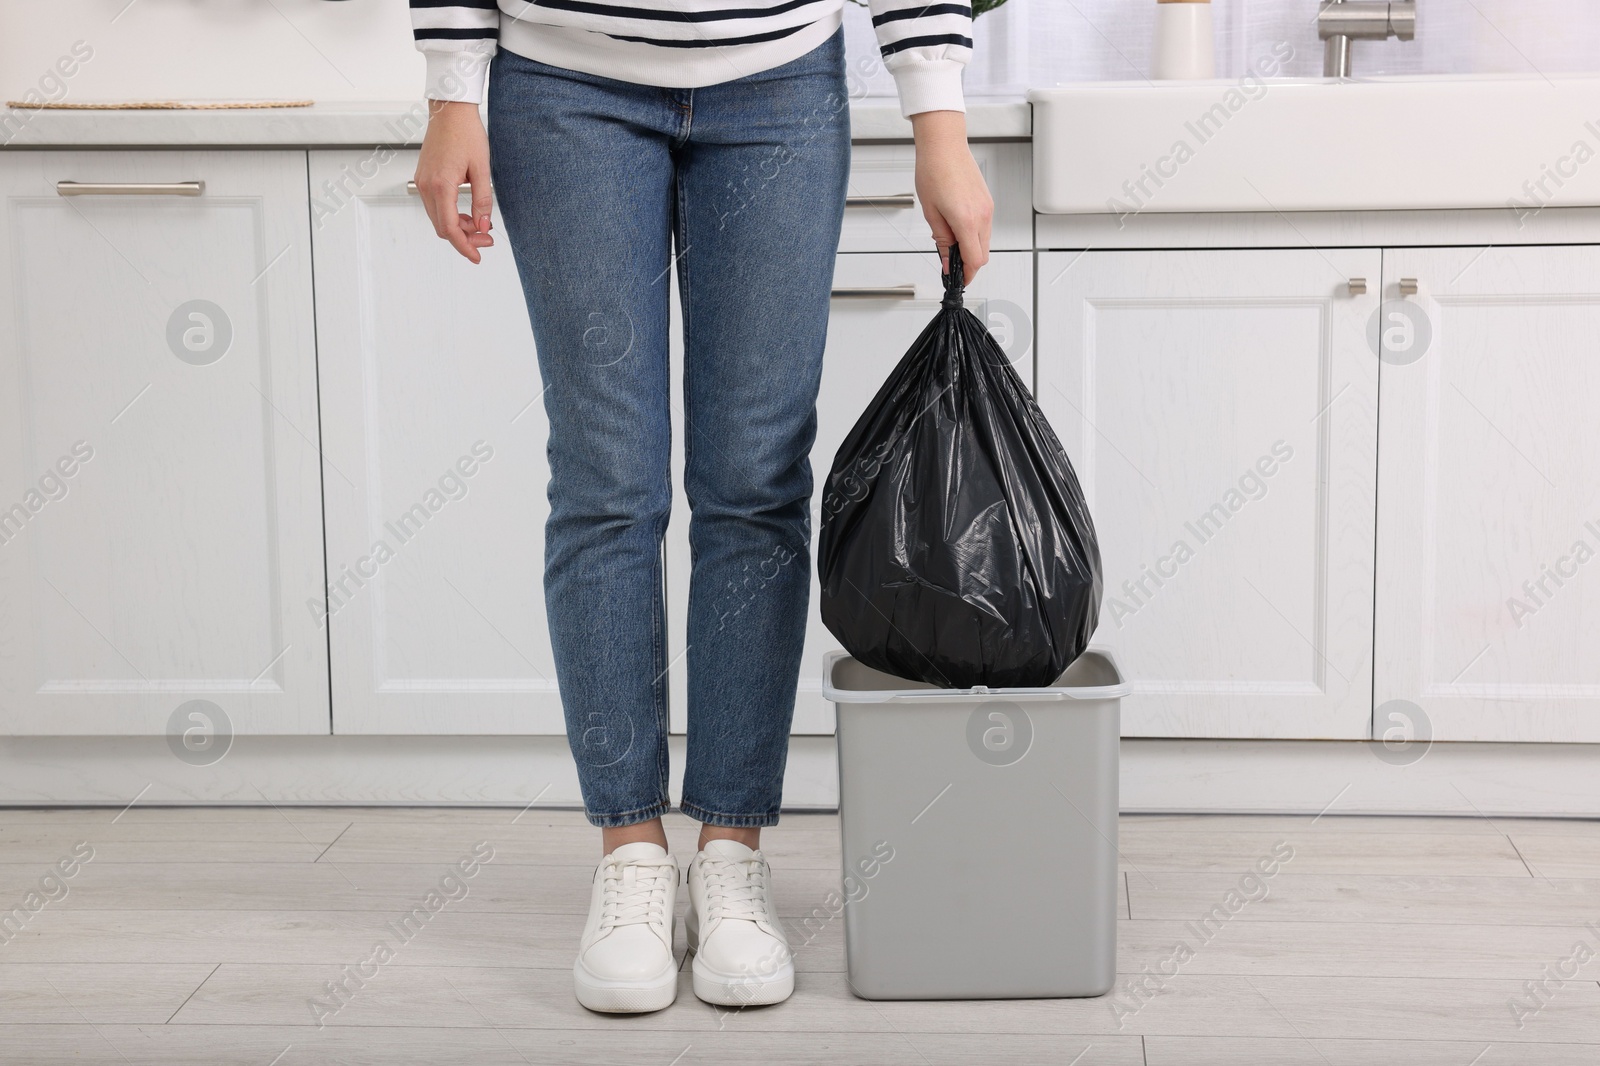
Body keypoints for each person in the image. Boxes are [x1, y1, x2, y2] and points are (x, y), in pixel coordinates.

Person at [408, 0, 994, 1013]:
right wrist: (452, 90)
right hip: (561, 86)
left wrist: (936, 118)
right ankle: (630, 853)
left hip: (780, 86)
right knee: (606, 484)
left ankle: (731, 849)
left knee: (756, 486)